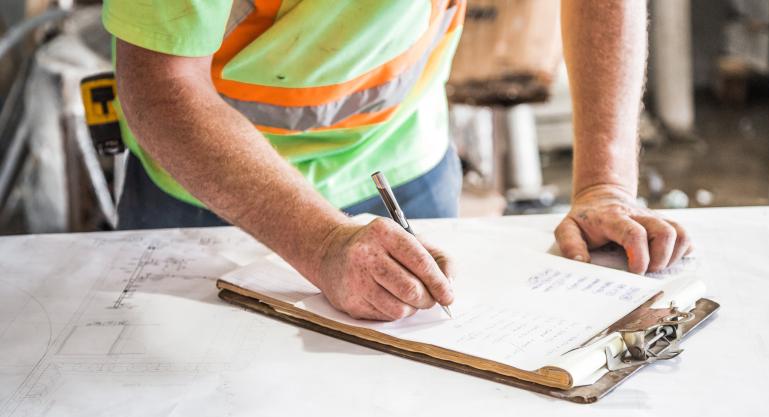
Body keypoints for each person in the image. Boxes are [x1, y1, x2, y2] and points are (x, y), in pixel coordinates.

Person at [105, 0, 691, 321]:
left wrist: (604, 185)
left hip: (406, 166)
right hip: (214, 192)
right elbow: (161, 85)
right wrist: (319, 241)